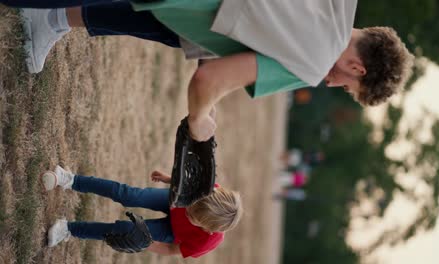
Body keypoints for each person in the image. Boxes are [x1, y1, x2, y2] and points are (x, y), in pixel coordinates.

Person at [1, 0, 415, 142]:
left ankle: (50, 21)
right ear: (356, 67)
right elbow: (208, 81)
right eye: (345, 85)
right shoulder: (311, 64)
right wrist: (200, 120)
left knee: (140, 20)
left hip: (189, 20)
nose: (332, 83)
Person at [42, 165, 243, 258]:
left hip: (171, 232)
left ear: (208, 229)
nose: (187, 211)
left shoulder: (207, 241)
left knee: (124, 231)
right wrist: (168, 179)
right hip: (173, 200)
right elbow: (187, 184)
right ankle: (70, 179)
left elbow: (171, 250)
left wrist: (144, 242)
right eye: (191, 203)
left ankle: (69, 229)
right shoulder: (206, 190)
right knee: (128, 195)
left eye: (192, 216)